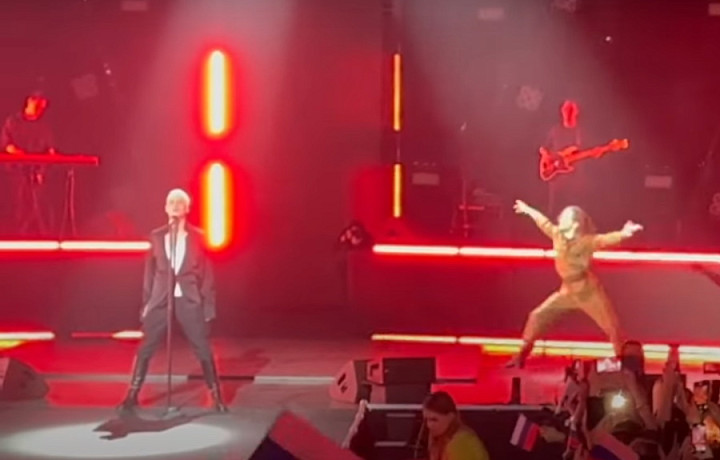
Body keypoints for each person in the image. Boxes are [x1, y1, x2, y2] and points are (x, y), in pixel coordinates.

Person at [117, 188, 228, 413]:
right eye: (171, 202)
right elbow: (149, 273)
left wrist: (208, 306)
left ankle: (216, 395)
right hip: (160, 298)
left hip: (189, 299)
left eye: (180, 202)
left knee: (202, 348)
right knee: (145, 348)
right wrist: (146, 304)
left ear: (187, 208)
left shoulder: (198, 237)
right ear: (166, 208)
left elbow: (207, 275)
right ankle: (132, 394)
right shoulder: (157, 236)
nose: (175, 205)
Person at [508, 200, 643, 368]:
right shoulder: (557, 235)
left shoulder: (586, 242)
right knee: (537, 316)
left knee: (612, 326)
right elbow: (543, 222)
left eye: (565, 217)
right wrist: (528, 210)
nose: (560, 219)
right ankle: (521, 355)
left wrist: (624, 233)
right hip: (567, 290)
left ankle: (626, 365)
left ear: (575, 223)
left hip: (588, 291)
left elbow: (603, 240)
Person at [543, 100, 585, 215]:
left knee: (573, 210)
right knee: (554, 209)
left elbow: (581, 150)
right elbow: (544, 148)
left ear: (576, 113)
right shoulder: (555, 130)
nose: (568, 114)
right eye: (566, 111)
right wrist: (547, 160)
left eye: (571, 111)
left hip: (573, 176)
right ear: (562, 112)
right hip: (556, 176)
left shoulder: (578, 132)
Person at [422, 391, 490, 460]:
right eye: (427, 420)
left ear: (451, 416)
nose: (429, 425)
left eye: (434, 419)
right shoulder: (442, 440)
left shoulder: (461, 442)